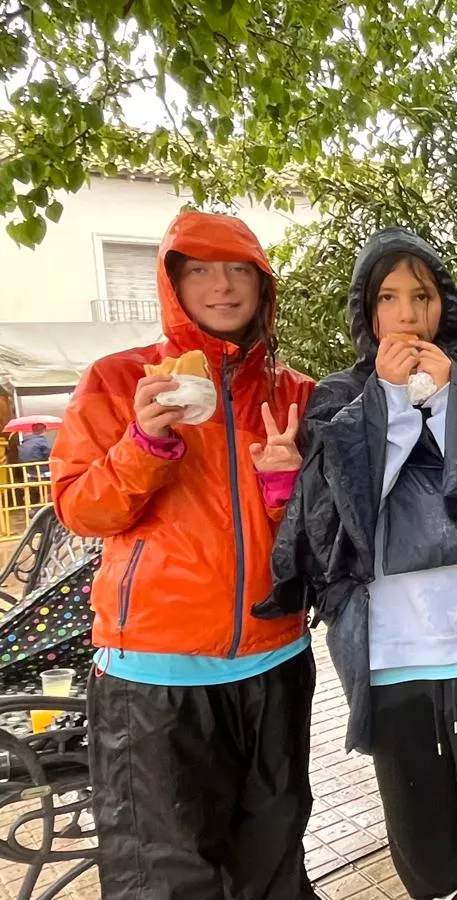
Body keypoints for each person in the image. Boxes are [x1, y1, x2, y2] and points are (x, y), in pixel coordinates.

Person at [265, 229, 457, 900]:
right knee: (415, 810)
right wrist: (386, 404)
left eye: (422, 295)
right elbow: (337, 515)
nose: (407, 313)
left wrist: (444, 402)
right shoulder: (338, 398)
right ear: (366, 311)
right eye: (388, 297)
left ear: (444, 306)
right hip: (392, 640)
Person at [51, 210, 317, 898]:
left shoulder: (294, 394)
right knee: (166, 879)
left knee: (273, 863)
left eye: (238, 272)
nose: (222, 288)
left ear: (263, 286)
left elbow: (323, 540)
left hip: (275, 662)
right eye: (199, 270)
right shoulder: (120, 380)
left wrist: (289, 490)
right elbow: (81, 508)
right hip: (154, 677)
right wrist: (143, 444)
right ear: (173, 282)